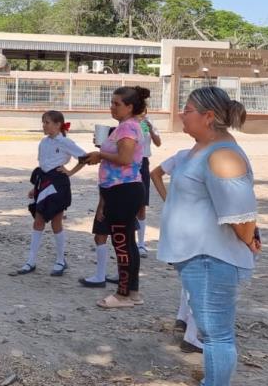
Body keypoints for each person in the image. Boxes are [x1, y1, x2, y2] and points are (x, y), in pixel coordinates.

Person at [158, 86, 261, 386]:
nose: (181, 114)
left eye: (187, 110)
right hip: (198, 255)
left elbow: (242, 217)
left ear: (209, 116)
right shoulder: (203, 147)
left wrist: (249, 239)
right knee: (208, 331)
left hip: (210, 258)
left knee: (216, 335)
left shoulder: (223, 156)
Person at [82, 86, 148, 308]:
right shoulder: (124, 127)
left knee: (121, 242)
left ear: (129, 107)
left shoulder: (128, 127)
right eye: (111, 103)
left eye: (116, 104)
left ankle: (123, 295)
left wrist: (100, 154)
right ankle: (133, 292)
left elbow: (125, 158)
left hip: (123, 189)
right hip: (120, 189)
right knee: (127, 242)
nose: (112, 107)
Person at [12, 111, 86, 277]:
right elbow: (43, 164)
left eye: (47, 122)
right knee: (38, 220)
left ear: (58, 124)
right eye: (43, 122)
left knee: (56, 222)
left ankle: (60, 260)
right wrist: (35, 188)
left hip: (58, 183)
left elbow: (84, 157)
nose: (44, 125)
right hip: (43, 183)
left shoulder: (65, 142)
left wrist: (70, 172)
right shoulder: (43, 142)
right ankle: (31, 260)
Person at [150, 149, 203, 353]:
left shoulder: (183, 154)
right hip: (194, 223)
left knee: (188, 272)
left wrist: (169, 200)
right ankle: (191, 333)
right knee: (199, 275)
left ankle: (182, 318)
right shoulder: (209, 157)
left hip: (177, 221)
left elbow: (156, 173)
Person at [136, 110, 161, 257]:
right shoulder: (128, 122)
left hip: (142, 163)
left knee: (142, 204)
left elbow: (157, 143)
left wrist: (149, 128)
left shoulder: (146, 124)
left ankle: (140, 243)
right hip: (129, 162)